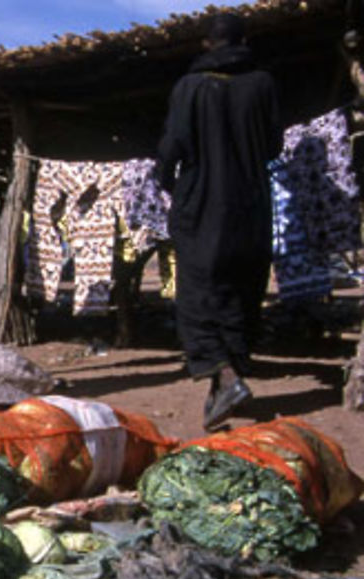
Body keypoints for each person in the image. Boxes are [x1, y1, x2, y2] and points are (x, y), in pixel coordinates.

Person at [156, 13, 283, 430]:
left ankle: (225, 378)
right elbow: (274, 144)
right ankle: (223, 393)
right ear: (243, 41)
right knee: (241, 290)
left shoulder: (189, 87)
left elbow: (170, 148)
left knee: (198, 296)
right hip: (251, 204)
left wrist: (170, 184)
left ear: (207, 44)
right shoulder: (263, 83)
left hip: (202, 205)